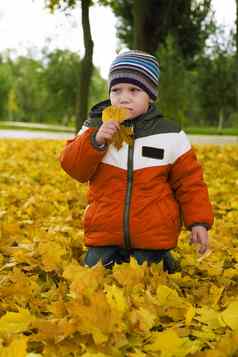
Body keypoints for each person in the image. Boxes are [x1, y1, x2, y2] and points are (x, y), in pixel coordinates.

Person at [59, 50, 214, 272]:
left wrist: (198, 222)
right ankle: (114, 257)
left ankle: (160, 259)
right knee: (94, 272)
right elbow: (74, 168)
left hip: (152, 233)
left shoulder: (169, 134)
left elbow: (190, 182)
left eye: (134, 90)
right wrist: (96, 140)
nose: (123, 97)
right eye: (116, 90)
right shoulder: (95, 126)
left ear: (150, 95)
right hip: (105, 232)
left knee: (149, 273)